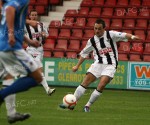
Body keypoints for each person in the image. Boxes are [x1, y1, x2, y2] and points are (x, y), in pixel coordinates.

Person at [60, 18, 141, 112]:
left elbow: (124, 35)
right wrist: (77, 66)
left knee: (101, 84)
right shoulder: (92, 41)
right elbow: (84, 53)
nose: (97, 31)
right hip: (98, 64)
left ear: (104, 28)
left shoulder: (111, 35)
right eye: (95, 28)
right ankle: (72, 103)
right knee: (85, 82)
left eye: (99, 28)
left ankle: (87, 106)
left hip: (111, 65)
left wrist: (133, 37)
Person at [0, 0, 44, 121]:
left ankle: (11, 114)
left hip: (3, 47)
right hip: (11, 47)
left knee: (8, 77)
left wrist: (29, 41)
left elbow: (10, 17)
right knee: (37, 77)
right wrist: (10, 34)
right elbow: (9, 10)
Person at [24, 9, 55, 95]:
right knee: (40, 69)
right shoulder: (25, 26)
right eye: (32, 15)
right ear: (29, 16)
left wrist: (44, 35)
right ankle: (48, 89)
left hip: (40, 49)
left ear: (37, 16)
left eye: (35, 15)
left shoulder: (41, 25)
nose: (34, 16)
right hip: (31, 49)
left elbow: (46, 35)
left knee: (36, 69)